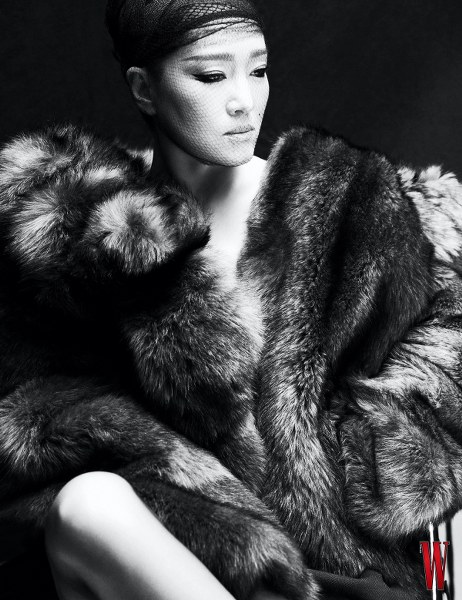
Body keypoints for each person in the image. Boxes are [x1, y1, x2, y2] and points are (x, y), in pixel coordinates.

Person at [1, 1, 462, 599]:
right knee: (88, 506)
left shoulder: (359, 206)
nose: (245, 101)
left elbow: (444, 362)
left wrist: (402, 454)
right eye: (213, 76)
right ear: (144, 89)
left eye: (259, 70)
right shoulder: (94, 246)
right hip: (195, 566)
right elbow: (35, 431)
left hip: (353, 572)